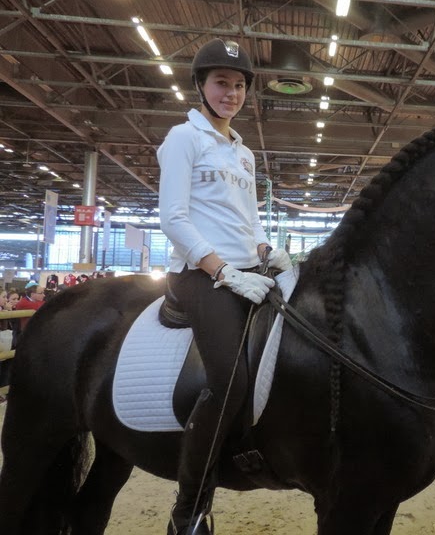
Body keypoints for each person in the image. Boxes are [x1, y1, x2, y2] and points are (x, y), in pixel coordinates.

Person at [157, 38, 291, 535]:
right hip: (200, 275)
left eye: (238, 85)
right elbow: (172, 217)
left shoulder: (244, 153)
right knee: (230, 379)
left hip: (248, 272)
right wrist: (222, 271)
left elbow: (249, 221)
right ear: (200, 86)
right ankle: (189, 508)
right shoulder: (183, 138)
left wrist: (264, 252)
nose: (230, 93)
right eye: (221, 83)